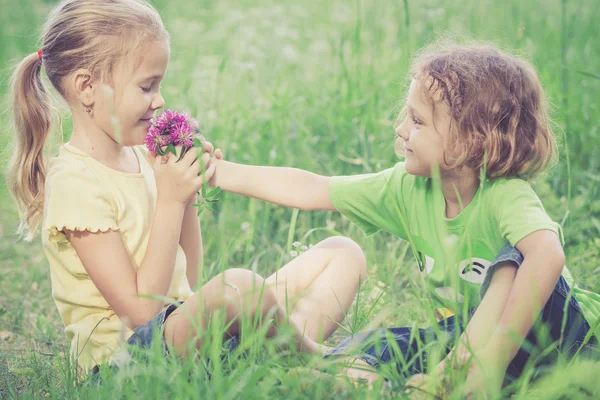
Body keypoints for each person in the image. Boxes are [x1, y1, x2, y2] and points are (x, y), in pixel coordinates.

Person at [207, 42, 599, 395]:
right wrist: (218, 172)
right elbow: (313, 189)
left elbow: (547, 256)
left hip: (563, 340)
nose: (400, 129)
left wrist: (493, 355)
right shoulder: (409, 188)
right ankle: (349, 379)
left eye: (417, 121)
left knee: (511, 260)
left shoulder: (504, 194)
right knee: (393, 343)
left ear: (471, 140)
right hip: (466, 338)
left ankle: (455, 376)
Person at [6, 0, 367, 380]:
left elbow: (189, 279)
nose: (160, 101)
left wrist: (187, 195)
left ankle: (282, 351)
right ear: (87, 87)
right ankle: (322, 361)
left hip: (180, 330)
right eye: (147, 86)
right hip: (124, 363)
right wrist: (169, 199)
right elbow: (142, 313)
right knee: (239, 286)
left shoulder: (142, 156)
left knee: (341, 254)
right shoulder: (76, 184)